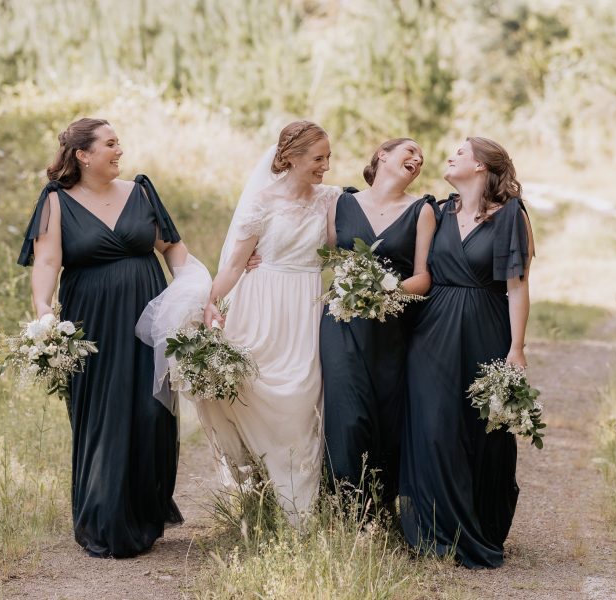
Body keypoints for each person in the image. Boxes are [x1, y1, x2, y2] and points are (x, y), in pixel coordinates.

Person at [17, 118, 188, 557]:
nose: (120, 150)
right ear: (83, 154)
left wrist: (199, 293)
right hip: (91, 321)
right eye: (110, 144)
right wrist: (43, 313)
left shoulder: (141, 191)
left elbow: (172, 249)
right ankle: (103, 517)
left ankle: (145, 511)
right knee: (104, 414)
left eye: (119, 143)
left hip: (149, 316)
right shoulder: (57, 202)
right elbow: (47, 262)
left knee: (152, 413)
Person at [195, 120, 340, 524]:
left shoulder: (330, 199)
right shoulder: (261, 201)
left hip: (306, 307)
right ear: (290, 158)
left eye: (328, 157)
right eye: (317, 158)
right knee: (251, 392)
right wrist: (211, 304)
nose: (325, 166)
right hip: (261, 307)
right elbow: (235, 266)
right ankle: (263, 499)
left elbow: (339, 250)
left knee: (301, 403)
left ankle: (302, 517)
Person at [399, 136, 534, 568]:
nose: (449, 155)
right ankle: (437, 531)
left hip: (486, 329)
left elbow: (517, 286)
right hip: (432, 332)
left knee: (483, 431)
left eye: (459, 151)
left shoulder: (512, 216)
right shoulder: (435, 212)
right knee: (433, 425)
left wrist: (517, 347)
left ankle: (480, 526)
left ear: (480, 166)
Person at [319, 138, 435, 514]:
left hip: (392, 329)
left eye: (421, 158)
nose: (417, 159)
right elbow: (315, 250)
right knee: (346, 414)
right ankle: (344, 509)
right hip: (343, 324)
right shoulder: (342, 202)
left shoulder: (421, 211)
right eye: (410, 151)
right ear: (382, 156)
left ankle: (380, 506)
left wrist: (384, 291)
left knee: (385, 415)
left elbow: (422, 277)